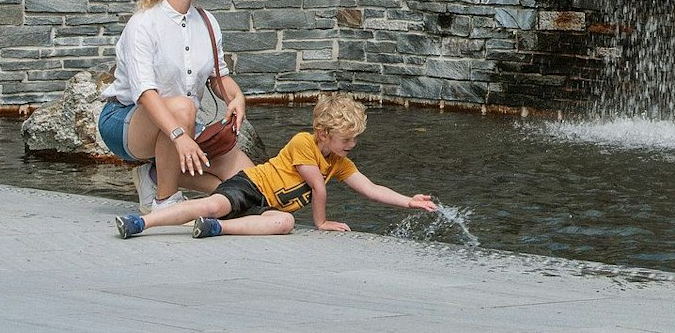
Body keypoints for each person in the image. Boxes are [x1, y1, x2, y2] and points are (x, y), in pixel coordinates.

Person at [113, 92, 437, 238]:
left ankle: (217, 230)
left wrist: (408, 200)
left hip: (265, 206)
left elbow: (370, 188)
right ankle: (144, 223)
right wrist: (321, 223)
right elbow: (317, 187)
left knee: (284, 224)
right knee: (210, 204)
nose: (352, 146)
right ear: (324, 134)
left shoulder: (337, 161)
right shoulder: (303, 143)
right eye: (346, 140)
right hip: (251, 185)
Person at [97, 0, 253, 212]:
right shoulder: (144, 24)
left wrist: (237, 97)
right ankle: (164, 201)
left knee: (253, 183)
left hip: (183, 122)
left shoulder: (207, 22)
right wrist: (180, 137)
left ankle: (156, 175)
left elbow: (218, 77)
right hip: (125, 121)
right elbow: (145, 94)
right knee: (181, 108)